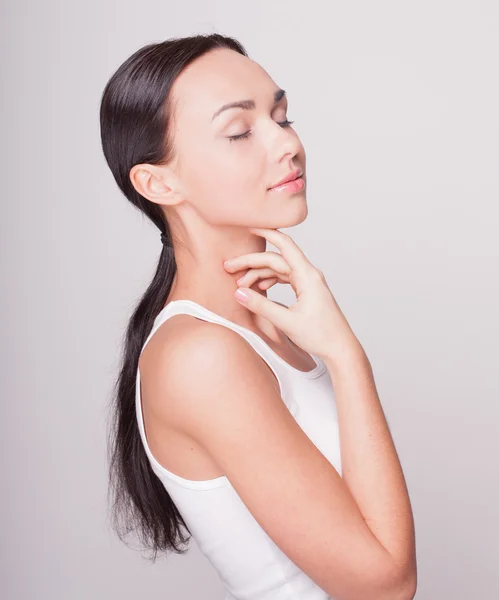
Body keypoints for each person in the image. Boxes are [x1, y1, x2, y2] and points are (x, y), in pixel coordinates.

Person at [100, 33, 417, 600]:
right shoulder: (202, 356)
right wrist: (347, 358)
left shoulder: (264, 328)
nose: (286, 145)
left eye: (283, 117)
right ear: (158, 182)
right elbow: (384, 587)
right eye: (240, 132)